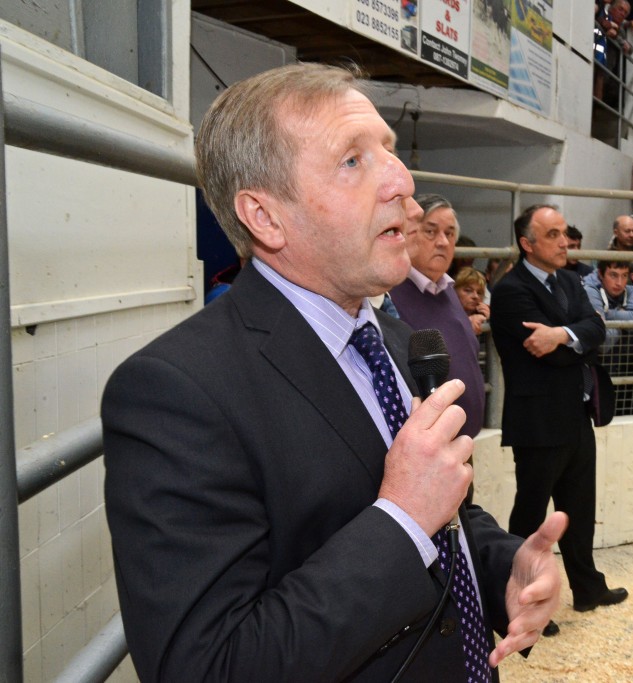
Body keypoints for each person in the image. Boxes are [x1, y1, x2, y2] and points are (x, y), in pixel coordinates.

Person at [102, 63, 566, 682]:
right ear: (265, 218)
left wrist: (505, 567)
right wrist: (400, 520)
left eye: (391, 153)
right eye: (352, 161)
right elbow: (210, 667)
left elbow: (447, 514)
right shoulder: (175, 393)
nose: (403, 181)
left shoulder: (394, 339)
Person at [489, 204, 629, 621]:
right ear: (527, 244)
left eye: (564, 233)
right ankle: (521, 604)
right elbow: (545, 355)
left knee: (580, 509)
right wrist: (575, 341)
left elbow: (597, 329)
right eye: (552, 235)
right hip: (537, 422)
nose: (564, 242)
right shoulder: (511, 290)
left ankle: (587, 589)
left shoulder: (570, 279)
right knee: (531, 519)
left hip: (575, 414)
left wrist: (562, 335)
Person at [390, 193, 487, 442]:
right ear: (408, 233)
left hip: (461, 441)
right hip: (424, 445)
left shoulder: (448, 290)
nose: (443, 242)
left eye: (450, 233)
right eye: (431, 232)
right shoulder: (390, 294)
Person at [583, 260, 633, 351]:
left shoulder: (630, 290)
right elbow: (602, 342)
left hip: (624, 360)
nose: (619, 283)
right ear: (601, 275)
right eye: (613, 275)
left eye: (624, 275)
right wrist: (623, 326)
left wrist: (606, 313)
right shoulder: (591, 290)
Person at [455, 266, 491, 335]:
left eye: (479, 292)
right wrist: (467, 322)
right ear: (454, 291)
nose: (475, 296)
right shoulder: (444, 312)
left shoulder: (484, 312)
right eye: (468, 290)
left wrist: (490, 320)